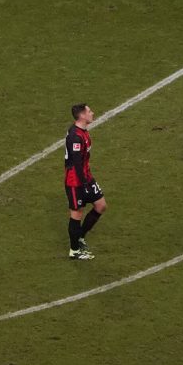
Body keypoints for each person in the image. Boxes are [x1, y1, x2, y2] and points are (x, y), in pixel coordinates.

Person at [65, 103, 107, 260]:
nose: (92, 113)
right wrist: (83, 186)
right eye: (89, 111)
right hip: (75, 181)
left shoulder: (82, 132)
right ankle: (74, 250)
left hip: (86, 177)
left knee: (101, 205)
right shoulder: (76, 136)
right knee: (77, 213)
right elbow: (75, 164)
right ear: (82, 115)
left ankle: (80, 237)